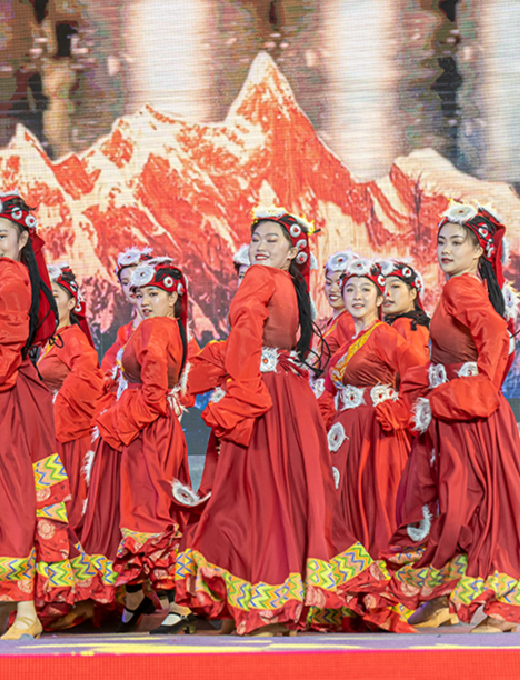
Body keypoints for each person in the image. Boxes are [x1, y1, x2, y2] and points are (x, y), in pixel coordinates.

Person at [178, 207, 387, 637]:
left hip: (264, 395)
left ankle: (262, 602)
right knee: (287, 495)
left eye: (272, 239)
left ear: (293, 250)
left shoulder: (260, 277)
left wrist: (241, 392)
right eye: (256, 238)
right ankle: (274, 600)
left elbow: (244, 335)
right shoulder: (290, 284)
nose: (260, 246)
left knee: (251, 495)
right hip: (290, 397)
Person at [0, 191, 110, 641]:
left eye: (2, 235)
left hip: (2, 402)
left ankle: (27, 611)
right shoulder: (2, 275)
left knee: (10, 500)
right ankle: (7, 605)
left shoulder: (10, 274)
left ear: (22, 238)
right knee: (2, 498)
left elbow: (7, 338)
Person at [389, 203, 520, 634]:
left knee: (474, 507)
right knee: (451, 505)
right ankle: (443, 599)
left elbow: (495, 336)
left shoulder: (460, 288)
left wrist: (480, 389)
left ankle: (499, 605)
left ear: (478, 251)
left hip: (468, 415)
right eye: (441, 241)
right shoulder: (465, 287)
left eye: (457, 242)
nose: (445, 249)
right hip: (455, 412)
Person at [82, 258, 197, 635]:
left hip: (142, 435)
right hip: (155, 431)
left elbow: (152, 395)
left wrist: (113, 425)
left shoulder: (153, 328)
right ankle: (137, 598)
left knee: (145, 515)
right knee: (145, 512)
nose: (145, 301)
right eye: (141, 294)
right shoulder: (174, 329)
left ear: (173, 297)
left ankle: (177, 605)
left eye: (154, 294)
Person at [319, 259, 424, 563]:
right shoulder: (347, 345)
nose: (357, 296)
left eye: (365, 289)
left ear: (380, 298)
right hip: (347, 436)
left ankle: (382, 578)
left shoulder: (383, 335)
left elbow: (419, 371)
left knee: (377, 502)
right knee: (346, 503)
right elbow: (329, 389)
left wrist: (399, 411)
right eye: (350, 289)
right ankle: (355, 575)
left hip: (376, 434)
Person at [39, 263, 102, 524]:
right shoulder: (47, 340)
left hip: (66, 432)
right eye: (46, 296)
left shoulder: (73, 338)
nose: (49, 302)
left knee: (65, 503)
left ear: (72, 303)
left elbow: (87, 376)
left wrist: (55, 409)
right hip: (47, 429)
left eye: (55, 296)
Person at [101, 247, 152, 386]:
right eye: (125, 282)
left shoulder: (168, 326)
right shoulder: (124, 333)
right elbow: (106, 370)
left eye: (136, 278)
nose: (131, 286)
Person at [380, 260, 431, 360]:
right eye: (382, 288)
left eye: (395, 286)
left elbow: (416, 366)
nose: (386, 293)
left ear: (413, 293)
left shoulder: (406, 325)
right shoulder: (413, 323)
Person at [321, 250, 361, 357]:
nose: (332, 289)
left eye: (339, 284)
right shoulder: (336, 320)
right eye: (329, 283)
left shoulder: (347, 321)